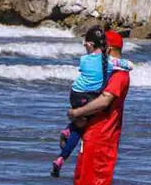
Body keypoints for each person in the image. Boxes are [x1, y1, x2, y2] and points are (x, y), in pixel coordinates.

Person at [68, 29, 131, 185]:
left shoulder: (119, 75)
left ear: (108, 48)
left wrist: (77, 113)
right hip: (94, 132)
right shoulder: (110, 71)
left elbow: (104, 101)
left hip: (102, 135)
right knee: (86, 182)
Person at [52, 27, 133, 177]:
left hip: (80, 101)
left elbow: (104, 100)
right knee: (80, 125)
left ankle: (63, 152)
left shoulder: (113, 73)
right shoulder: (113, 67)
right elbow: (103, 101)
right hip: (99, 130)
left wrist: (76, 113)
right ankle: (65, 148)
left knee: (78, 124)